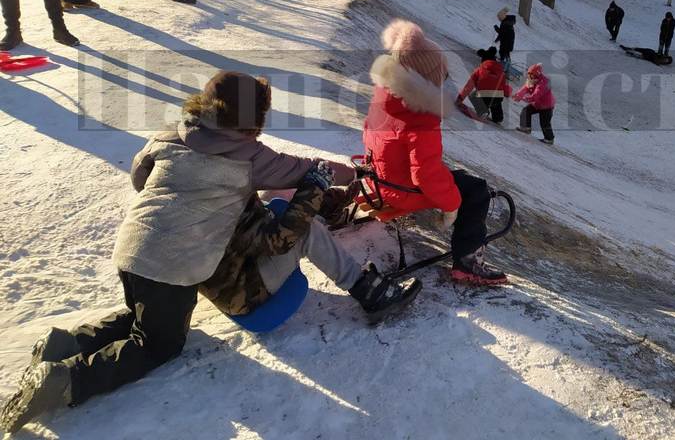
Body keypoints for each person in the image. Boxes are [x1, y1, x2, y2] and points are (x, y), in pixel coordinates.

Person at [0, 71, 421, 434]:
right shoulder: (250, 159)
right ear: (251, 123)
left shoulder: (169, 135)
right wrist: (347, 173)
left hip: (133, 250)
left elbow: (139, 176)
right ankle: (65, 382)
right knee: (158, 344)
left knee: (141, 315)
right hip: (177, 266)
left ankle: (61, 344)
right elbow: (302, 170)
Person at [363, 19, 508, 285]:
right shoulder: (421, 116)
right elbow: (425, 175)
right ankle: (468, 262)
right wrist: (451, 205)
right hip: (402, 189)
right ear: (426, 79)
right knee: (475, 190)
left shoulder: (383, 98)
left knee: (459, 178)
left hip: (380, 179)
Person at [457, 46, 512, 124]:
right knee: (496, 97)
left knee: (473, 95)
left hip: (484, 95)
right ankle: (498, 117)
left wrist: (460, 99)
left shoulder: (480, 69)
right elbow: (504, 87)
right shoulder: (501, 71)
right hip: (498, 97)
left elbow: (469, 86)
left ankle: (483, 111)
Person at [514, 63, 556, 145]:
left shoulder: (543, 83)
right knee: (526, 111)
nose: (529, 76)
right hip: (537, 104)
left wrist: (523, 98)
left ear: (537, 74)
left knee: (545, 123)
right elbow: (525, 88)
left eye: (531, 74)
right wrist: (518, 95)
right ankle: (525, 127)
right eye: (529, 74)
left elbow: (536, 95)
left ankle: (549, 139)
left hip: (546, 106)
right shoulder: (531, 79)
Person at [494, 7, 516, 74]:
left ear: (502, 17)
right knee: (506, 52)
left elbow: (502, 33)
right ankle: (506, 63)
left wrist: (496, 28)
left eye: (499, 18)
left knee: (503, 52)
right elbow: (503, 33)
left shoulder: (505, 23)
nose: (499, 20)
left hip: (506, 40)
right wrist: (497, 39)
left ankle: (503, 65)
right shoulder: (508, 22)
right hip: (509, 40)